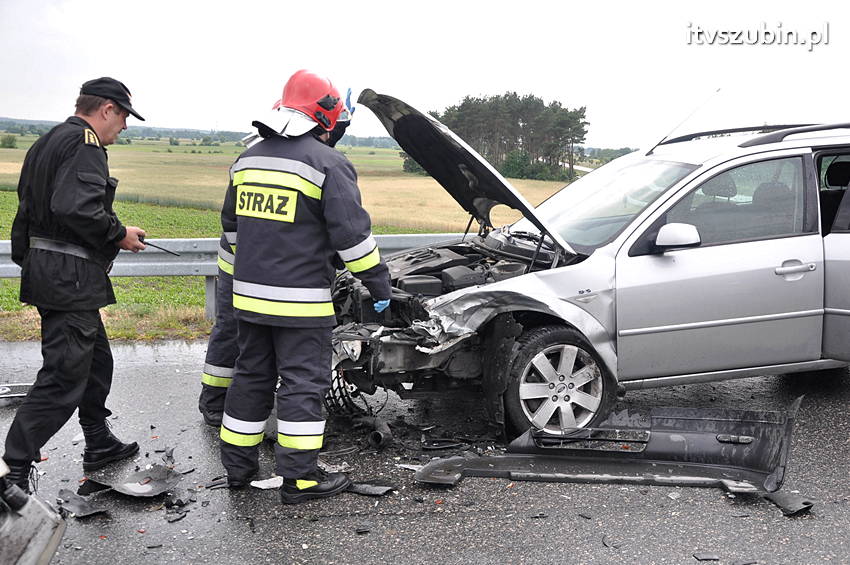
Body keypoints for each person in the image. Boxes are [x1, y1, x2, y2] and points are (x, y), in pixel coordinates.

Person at [219, 70, 391, 504]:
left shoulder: (248, 159)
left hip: (249, 299)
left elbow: (232, 232)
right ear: (325, 116)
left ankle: (238, 470)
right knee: (301, 386)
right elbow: (352, 240)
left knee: (251, 376)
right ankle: (301, 478)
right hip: (301, 305)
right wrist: (380, 285)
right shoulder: (328, 164)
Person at [2, 77, 147, 492]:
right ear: (106, 109)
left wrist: (36, 263)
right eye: (122, 117)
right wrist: (118, 233)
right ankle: (12, 470)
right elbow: (75, 206)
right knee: (65, 375)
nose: (124, 127)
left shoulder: (48, 140)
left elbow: (32, 210)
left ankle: (99, 441)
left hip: (54, 269)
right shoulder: (86, 144)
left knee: (97, 362)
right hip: (67, 275)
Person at [197, 89, 356, 427]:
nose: (332, 134)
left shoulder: (289, 156)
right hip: (244, 266)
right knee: (231, 332)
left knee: (252, 353)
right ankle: (214, 402)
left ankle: (244, 416)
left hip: (255, 264)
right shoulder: (285, 157)